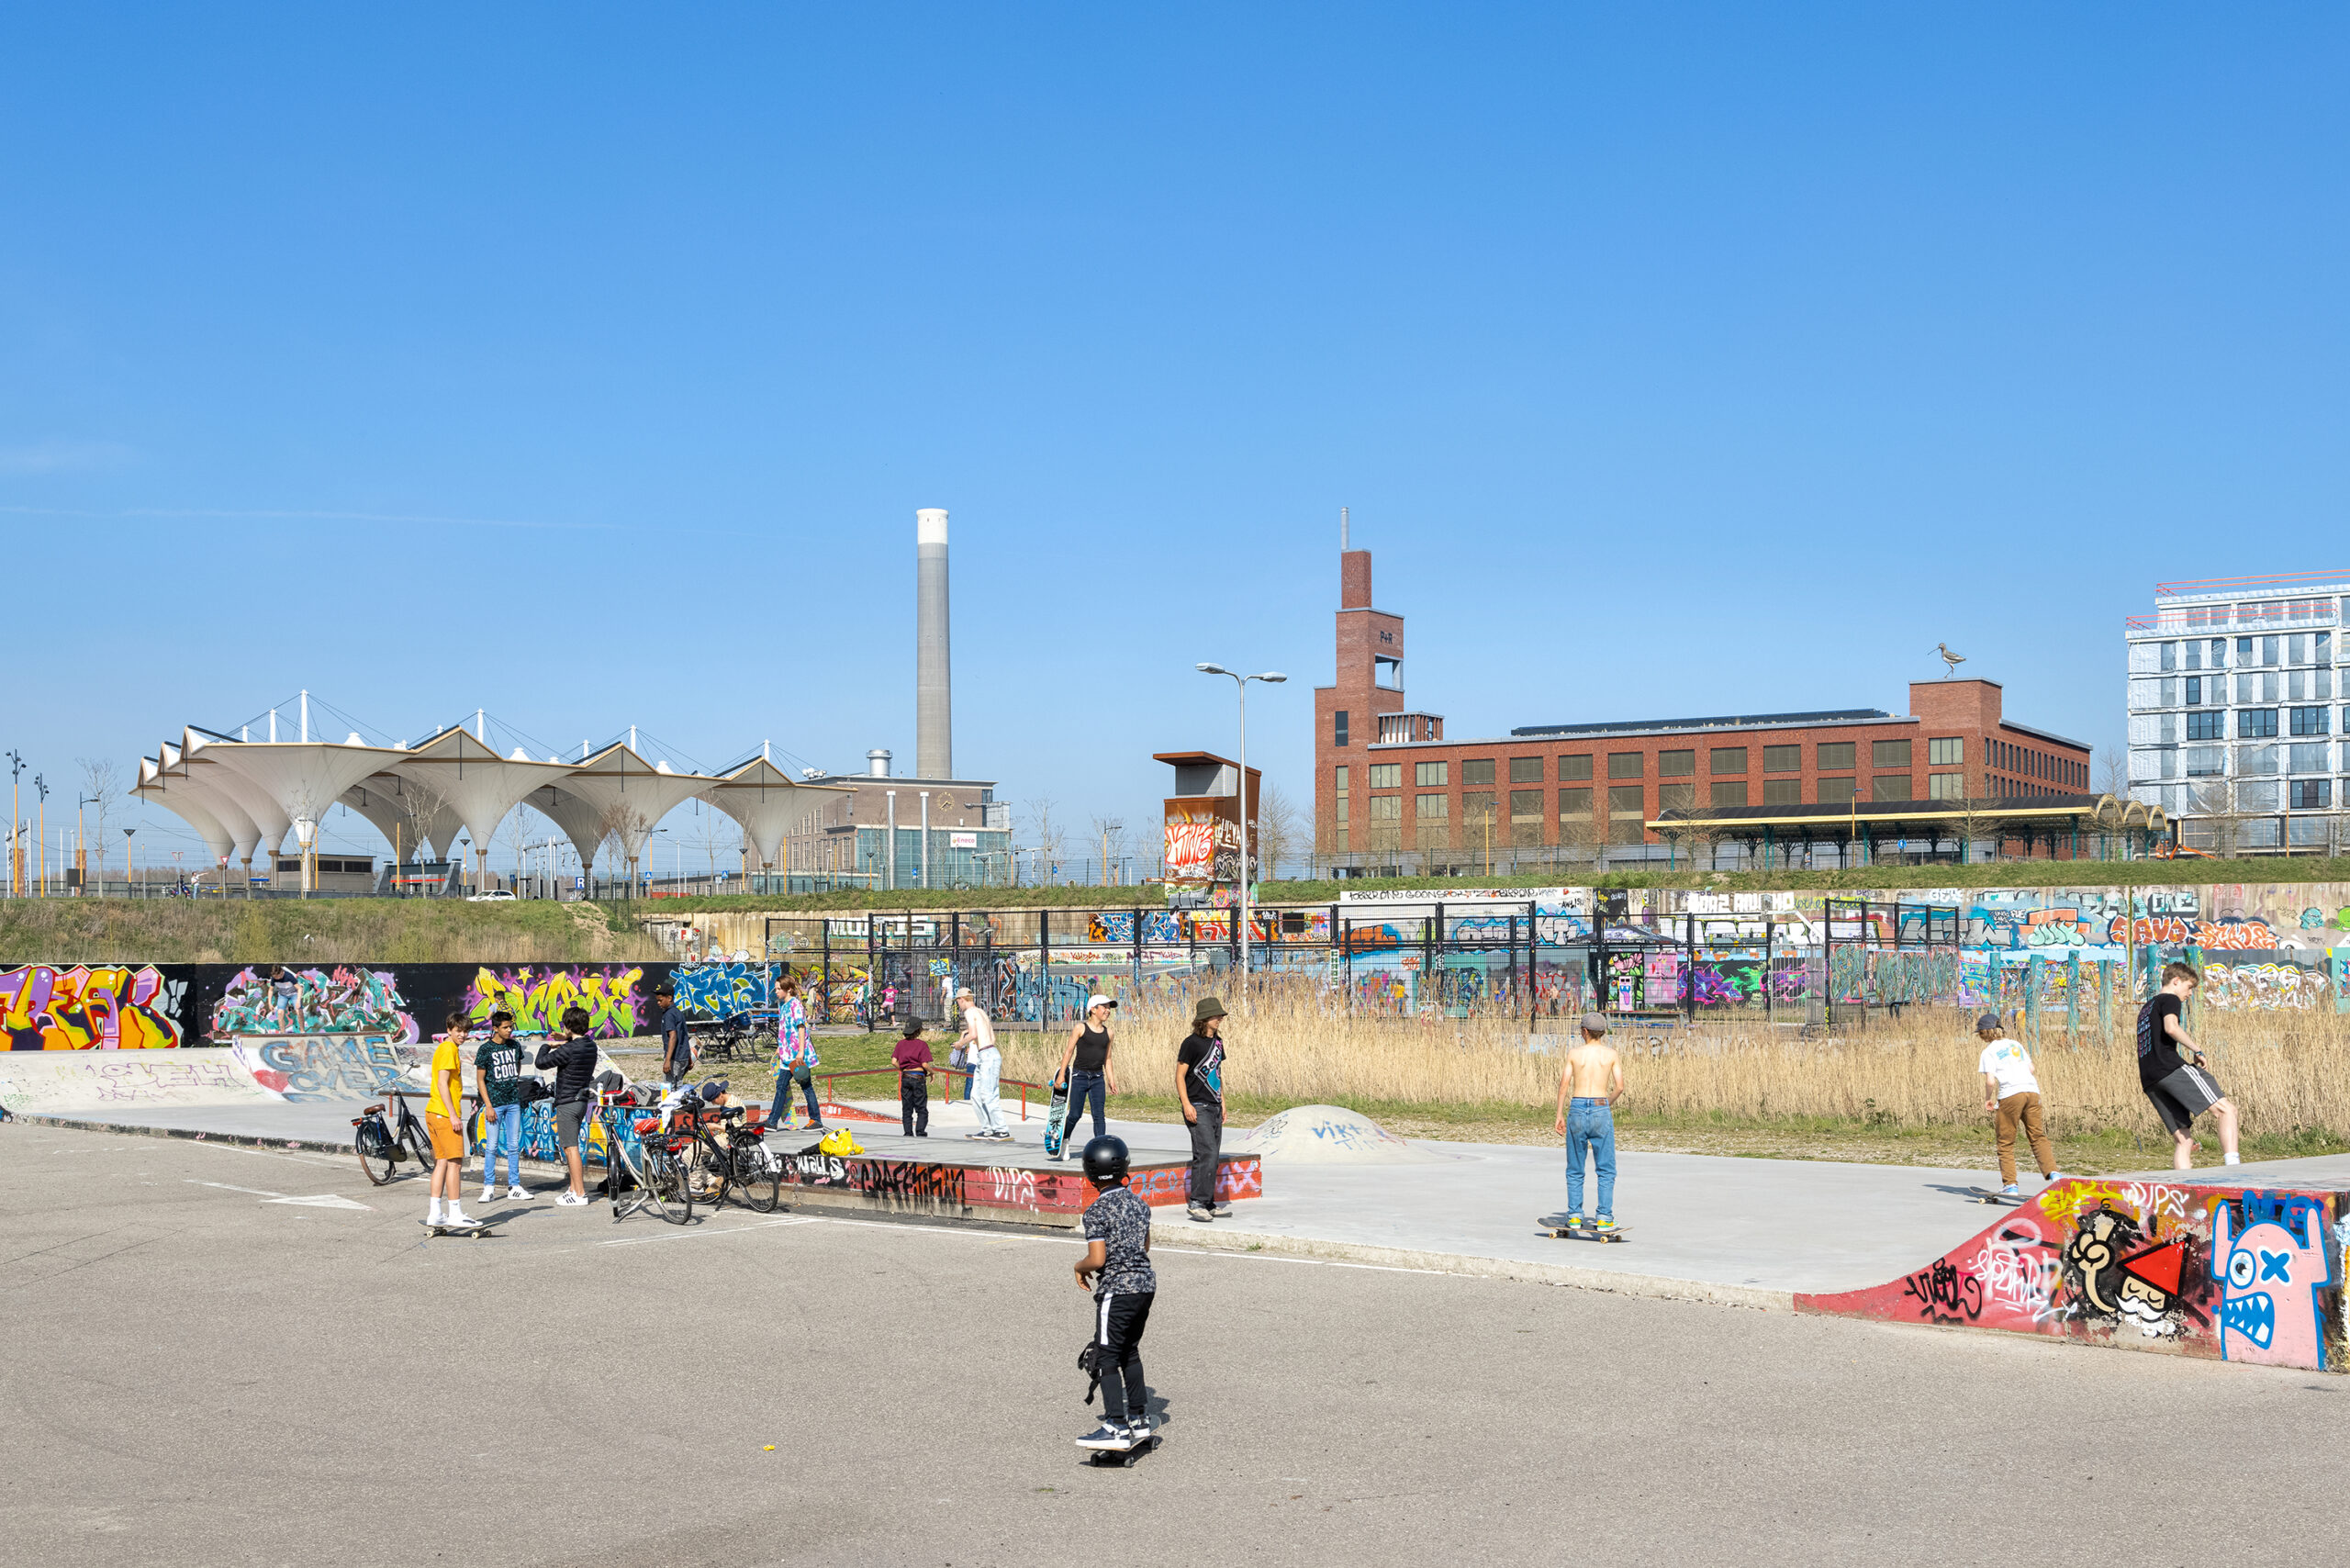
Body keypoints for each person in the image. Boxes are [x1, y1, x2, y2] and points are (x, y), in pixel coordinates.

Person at [1072, 1135, 1157, 1452]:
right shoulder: (1139, 1204)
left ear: (1090, 1174)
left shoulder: (1096, 1211)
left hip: (1117, 1290)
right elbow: (1144, 1246)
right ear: (1124, 1166)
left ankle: (1115, 1426)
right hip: (1144, 1285)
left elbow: (1097, 1259)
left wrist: (1078, 1268)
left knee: (1106, 1354)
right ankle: (1139, 1419)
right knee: (1129, 1351)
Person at [2136, 961, 2242, 1170]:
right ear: (2176, 981)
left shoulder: (2146, 1008)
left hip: (2150, 1079)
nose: (2190, 993)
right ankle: (2234, 1169)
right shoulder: (2170, 999)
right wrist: (2197, 1049)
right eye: (2189, 987)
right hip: (2170, 1069)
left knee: (2184, 1140)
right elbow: (2171, 1028)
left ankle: (2185, 1194)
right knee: (2226, 1110)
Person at [1551, 1011, 1623, 1232]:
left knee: (1575, 1167)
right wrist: (1605, 1103)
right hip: (1601, 1108)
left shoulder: (1575, 1053)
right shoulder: (1611, 1054)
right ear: (1603, 1032)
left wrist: (1559, 1114)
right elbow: (1620, 1087)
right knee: (1606, 1168)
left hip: (1578, 1108)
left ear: (1584, 1032)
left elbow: (1564, 1085)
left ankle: (1574, 1215)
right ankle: (1604, 1218)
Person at [1975, 1010, 2061, 1196]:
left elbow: (1990, 1080)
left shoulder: (1988, 1051)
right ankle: (2053, 1173)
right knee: (2037, 1136)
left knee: (2005, 1142)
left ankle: (2010, 1185)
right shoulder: (2015, 1044)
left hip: (2010, 1094)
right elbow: (2032, 1068)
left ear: (1984, 1033)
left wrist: (1987, 1099)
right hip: (2032, 1091)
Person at [536, 1005, 601, 1205]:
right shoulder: (590, 1046)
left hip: (567, 1102)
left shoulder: (569, 1049)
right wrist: (564, 1040)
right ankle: (572, 1189)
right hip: (581, 1101)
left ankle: (579, 1193)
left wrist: (548, 1045)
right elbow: (577, 1044)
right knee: (571, 1147)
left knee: (570, 1147)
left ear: (568, 1026)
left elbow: (541, 1062)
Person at [1175, 996, 1229, 1222]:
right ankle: (1197, 1202)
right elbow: (1179, 1076)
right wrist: (1186, 1104)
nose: (1219, 1019)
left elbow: (1217, 1074)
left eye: (1220, 1016)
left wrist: (1223, 1101)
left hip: (1214, 1105)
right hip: (1197, 1105)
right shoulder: (1191, 1043)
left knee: (1212, 1156)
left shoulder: (1218, 1043)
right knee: (1205, 1152)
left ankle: (1208, 1202)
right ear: (1204, 1019)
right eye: (1216, 1016)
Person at [1053, 996, 1120, 1159]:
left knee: (1099, 1115)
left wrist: (1111, 1080)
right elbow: (1068, 1052)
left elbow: (1108, 1058)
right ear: (1093, 1009)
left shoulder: (1109, 1033)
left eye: (1109, 1007)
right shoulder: (1080, 1028)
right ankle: (1065, 1141)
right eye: (1104, 1007)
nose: (1107, 1010)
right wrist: (1061, 1075)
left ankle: (1100, 1150)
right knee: (1075, 1114)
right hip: (1079, 1076)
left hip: (1098, 1077)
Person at [425, 1010, 474, 1229]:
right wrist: (453, 1114)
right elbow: (442, 1083)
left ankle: (435, 1213)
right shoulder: (449, 1049)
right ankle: (455, 1213)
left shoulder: (445, 1048)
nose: (462, 1035)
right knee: (455, 1163)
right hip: (445, 1114)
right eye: (458, 1031)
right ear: (449, 1030)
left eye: (465, 1031)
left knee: (442, 1162)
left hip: (434, 1112)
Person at [475, 1010, 529, 1202]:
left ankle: (514, 1186)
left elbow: (517, 1067)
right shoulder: (485, 1049)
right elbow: (480, 1080)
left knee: (514, 1145)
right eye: (505, 1027)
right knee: (491, 1146)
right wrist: (488, 1105)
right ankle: (488, 1187)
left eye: (510, 1026)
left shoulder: (515, 1045)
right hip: (494, 1104)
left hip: (513, 1102)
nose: (509, 1030)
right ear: (495, 1028)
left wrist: (512, 1082)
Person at [767, 974, 823, 1131]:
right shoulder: (783, 1006)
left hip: (796, 1055)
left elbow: (801, 1028)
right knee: (781, 1087)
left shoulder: (795, 1005)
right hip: (786, 1056)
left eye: (779, 989)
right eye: (776, 988)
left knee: (806, 1086)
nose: (776, 992)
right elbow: (786, 1030)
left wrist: (800, 1052)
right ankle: (772, 1121)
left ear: (789, 989)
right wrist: (780, 1047)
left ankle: (816, 1120)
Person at [956, 985, 1009, 1141]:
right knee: (976, 1095)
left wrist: (960, 1044)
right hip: (987, 1053)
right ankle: (987, 1129)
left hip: (987, 1056)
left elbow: (973, 1034)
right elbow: (992, 1037)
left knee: (988, 1094)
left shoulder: (969, 1012)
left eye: (958, 1002)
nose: (958, 1005)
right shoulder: (981, 1012)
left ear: (962, 999)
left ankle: (1001, 1129)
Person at [892, 1018, 934, 1137]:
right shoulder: (922, 1044)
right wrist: (932, 1072)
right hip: (918, 1077)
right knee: (921, 1108)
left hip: (905, 1077)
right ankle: (920, 1131)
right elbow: (925, 1064)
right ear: (918, 1030)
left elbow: (894, 1061)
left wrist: (903, 1070)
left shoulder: (900, 1044)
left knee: (907, 1108)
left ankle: (908, 1132)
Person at [657, 985, 694, 1087]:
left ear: (669, 998)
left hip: (675, 1058)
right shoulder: (678, 1012)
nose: (658, 1003)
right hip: (683, 1057)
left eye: (660, 1000)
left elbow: (673, 1036)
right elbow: (684, 1036)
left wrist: (667, 1060)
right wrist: (689, 1058)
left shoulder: (669, 1014)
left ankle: (673, 1102)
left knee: (670, 1086)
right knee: (678, 1083)